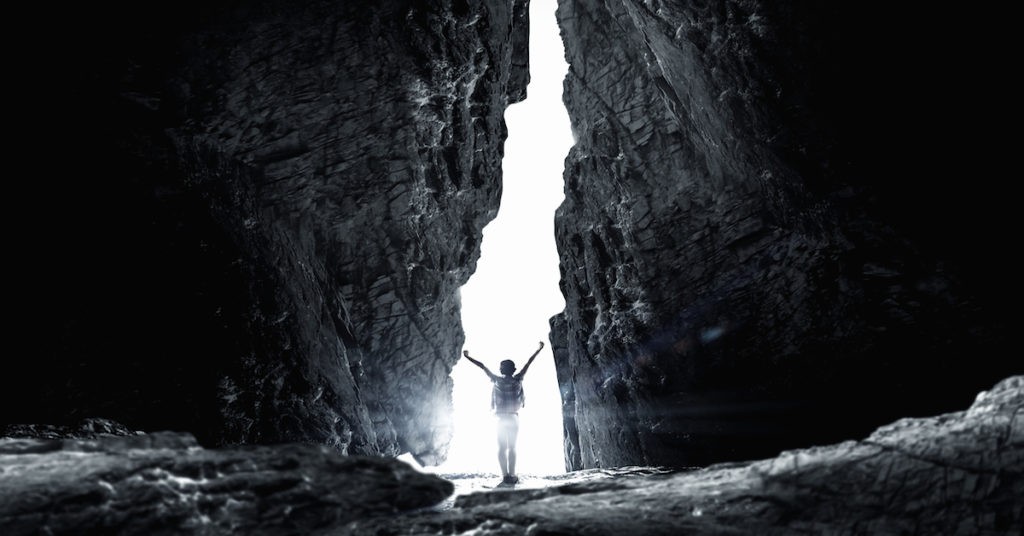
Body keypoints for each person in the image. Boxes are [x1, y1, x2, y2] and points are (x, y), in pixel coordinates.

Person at [462, 341, 545, 484]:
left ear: (501, 370)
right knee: (512, 447)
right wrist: (539, 349)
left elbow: (482, 366)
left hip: (500, 419)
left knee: (501, 447)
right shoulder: (518, 378)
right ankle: (512, 475)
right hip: (513, 418)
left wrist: (467, 357)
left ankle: (505, 475)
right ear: (513, 369)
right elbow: (529, 363)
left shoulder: (496, 380)